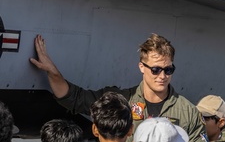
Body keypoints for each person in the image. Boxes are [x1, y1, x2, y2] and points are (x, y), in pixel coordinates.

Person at [29, 34, 205, 142]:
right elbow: (75, 99)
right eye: (156, 69)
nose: (162, 76)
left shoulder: (187, 112)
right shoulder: (120, 103)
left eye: (168, 70)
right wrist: (53, 72)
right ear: (141, 67)